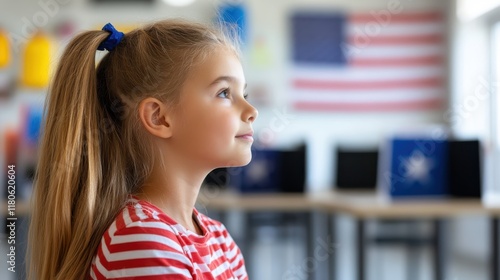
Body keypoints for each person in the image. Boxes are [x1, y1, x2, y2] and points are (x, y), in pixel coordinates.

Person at [27, 19, 257, 280]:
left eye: (244, 95)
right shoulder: (143, 240)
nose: (251, 112)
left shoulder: (221, 241)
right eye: (224, 93)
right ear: (159, 117)